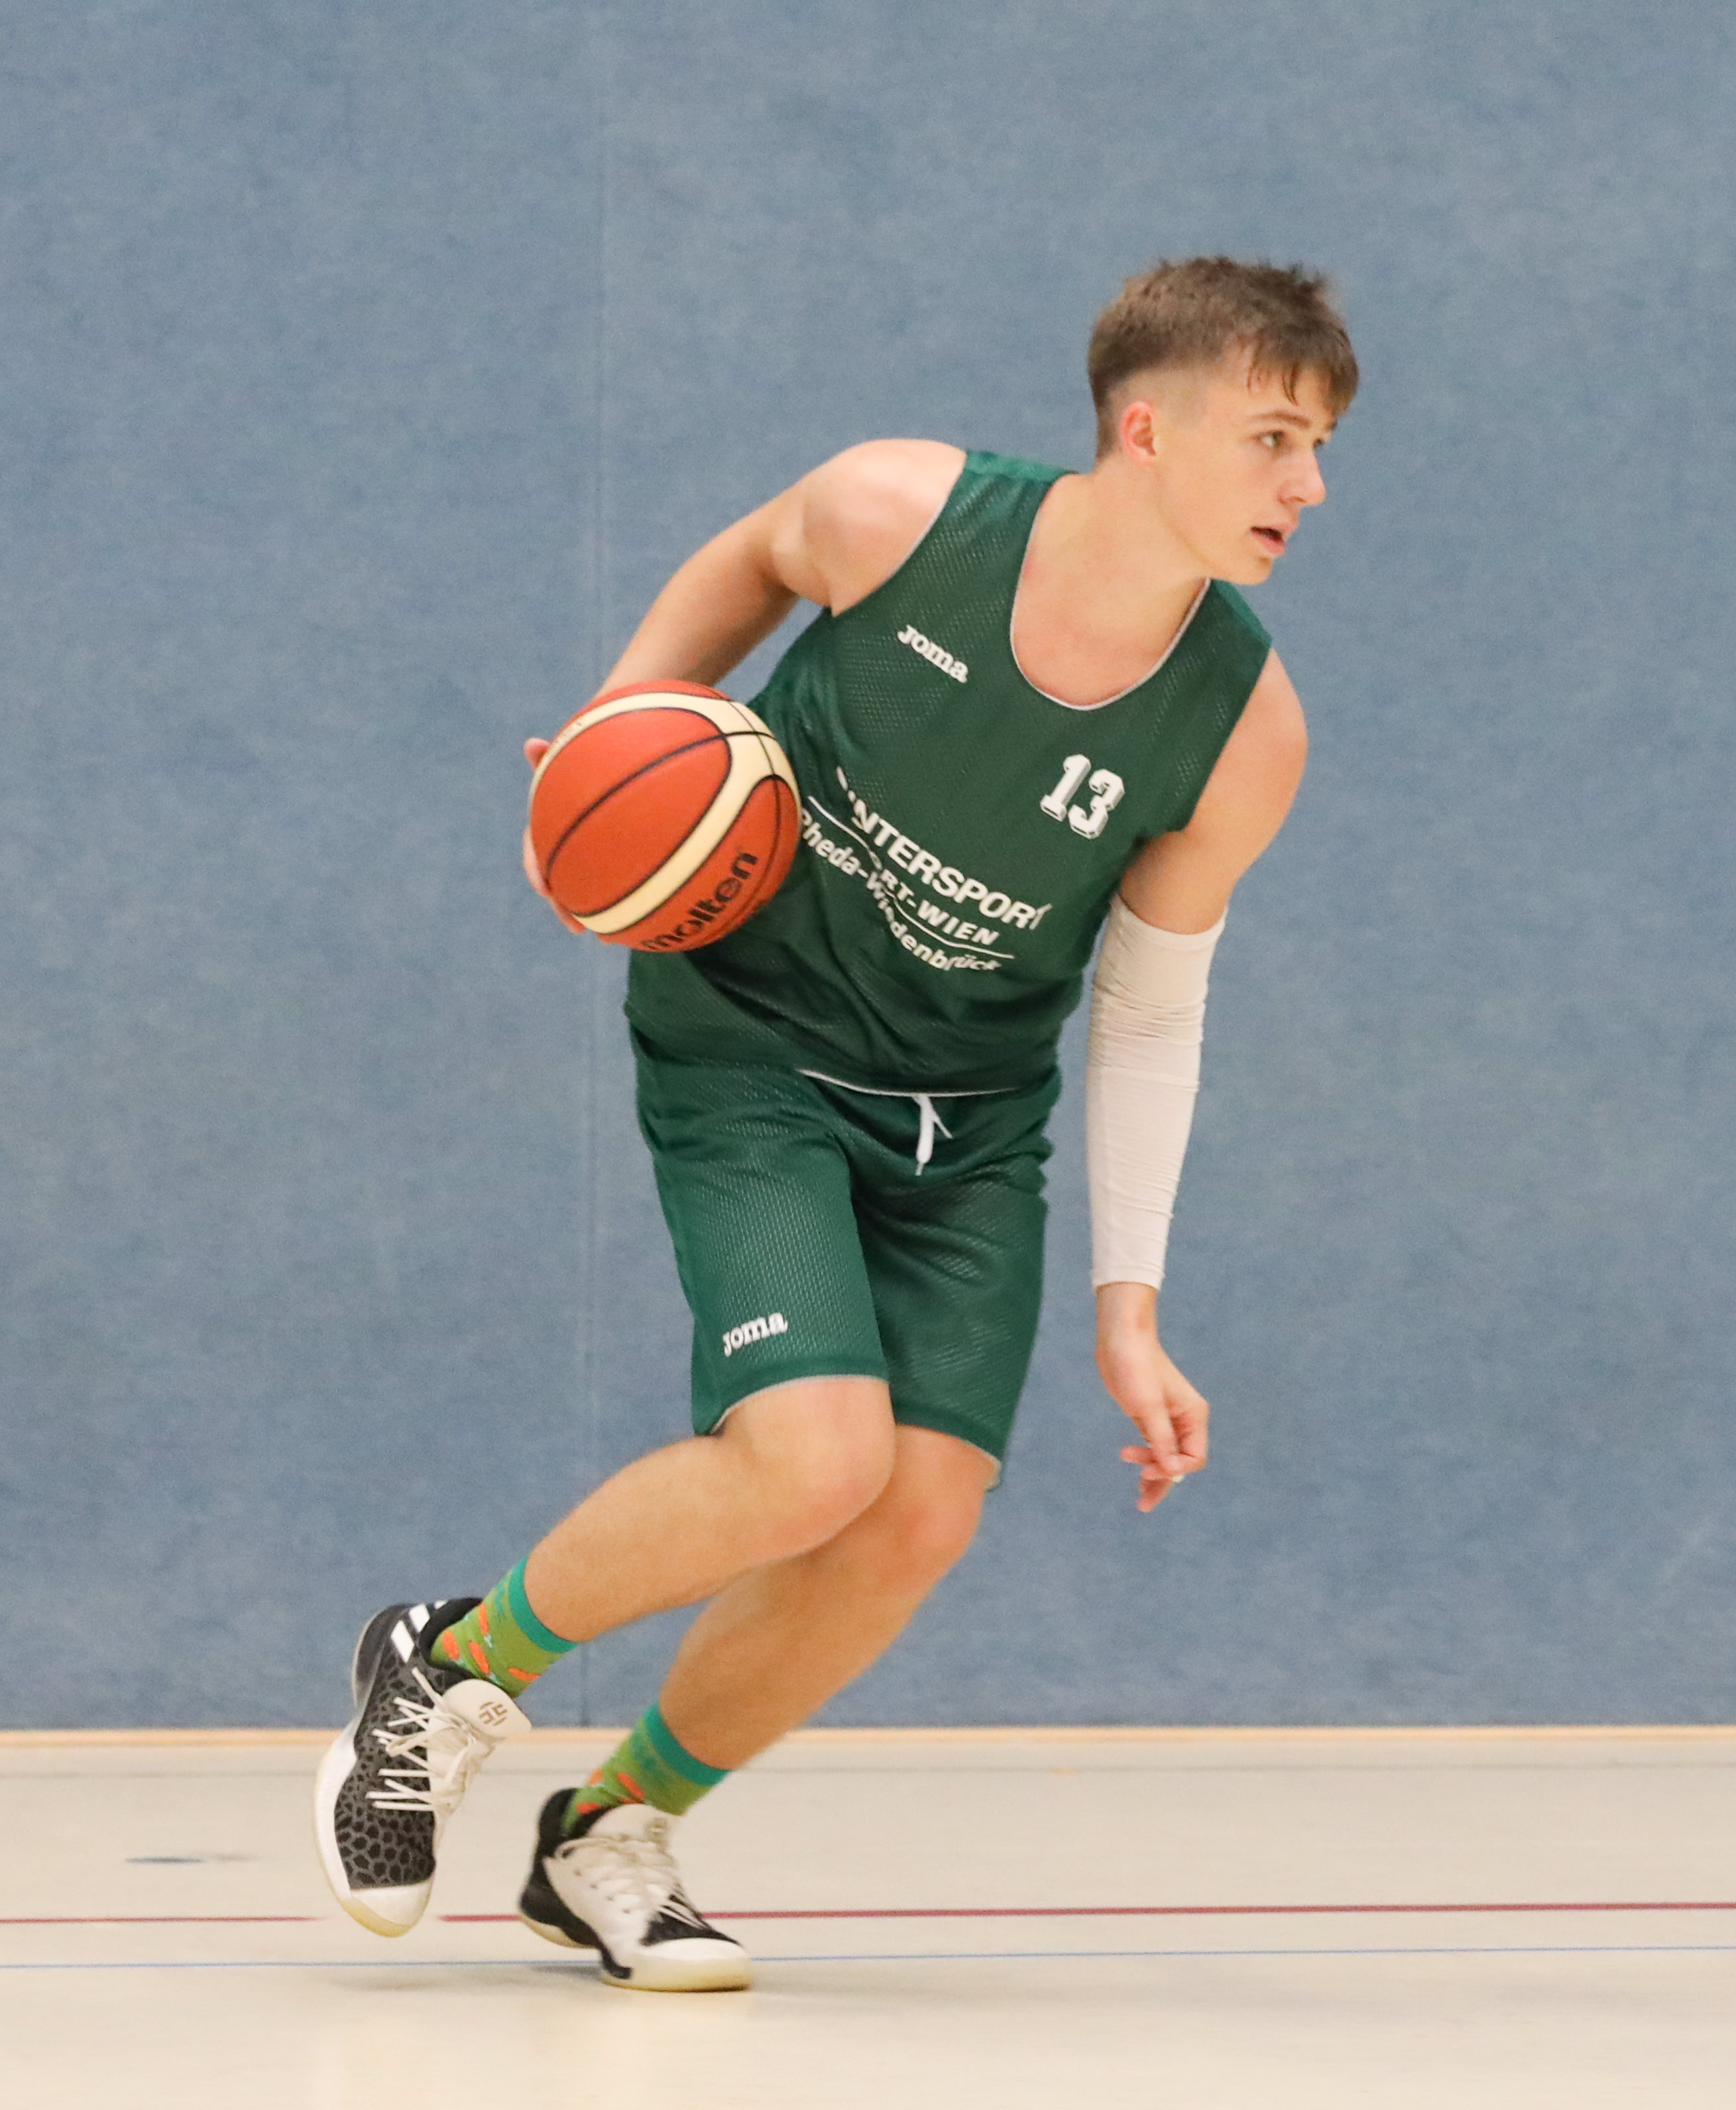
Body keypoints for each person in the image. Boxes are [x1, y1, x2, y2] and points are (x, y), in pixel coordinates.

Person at [310, 258, 1354, 1991]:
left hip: (971, 1119)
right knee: (813, 1458)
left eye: (1317, 447)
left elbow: (1151, 1006)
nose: (1306, 485)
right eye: (1273, 438)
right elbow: (752, 560)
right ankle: (445, 1668)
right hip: (756, 1039)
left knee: (915, 1513)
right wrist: (622, 723)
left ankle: (610, 1835)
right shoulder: (899, 513)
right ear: (1147, 430)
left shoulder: (1245, 730)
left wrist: (1132, 1305)